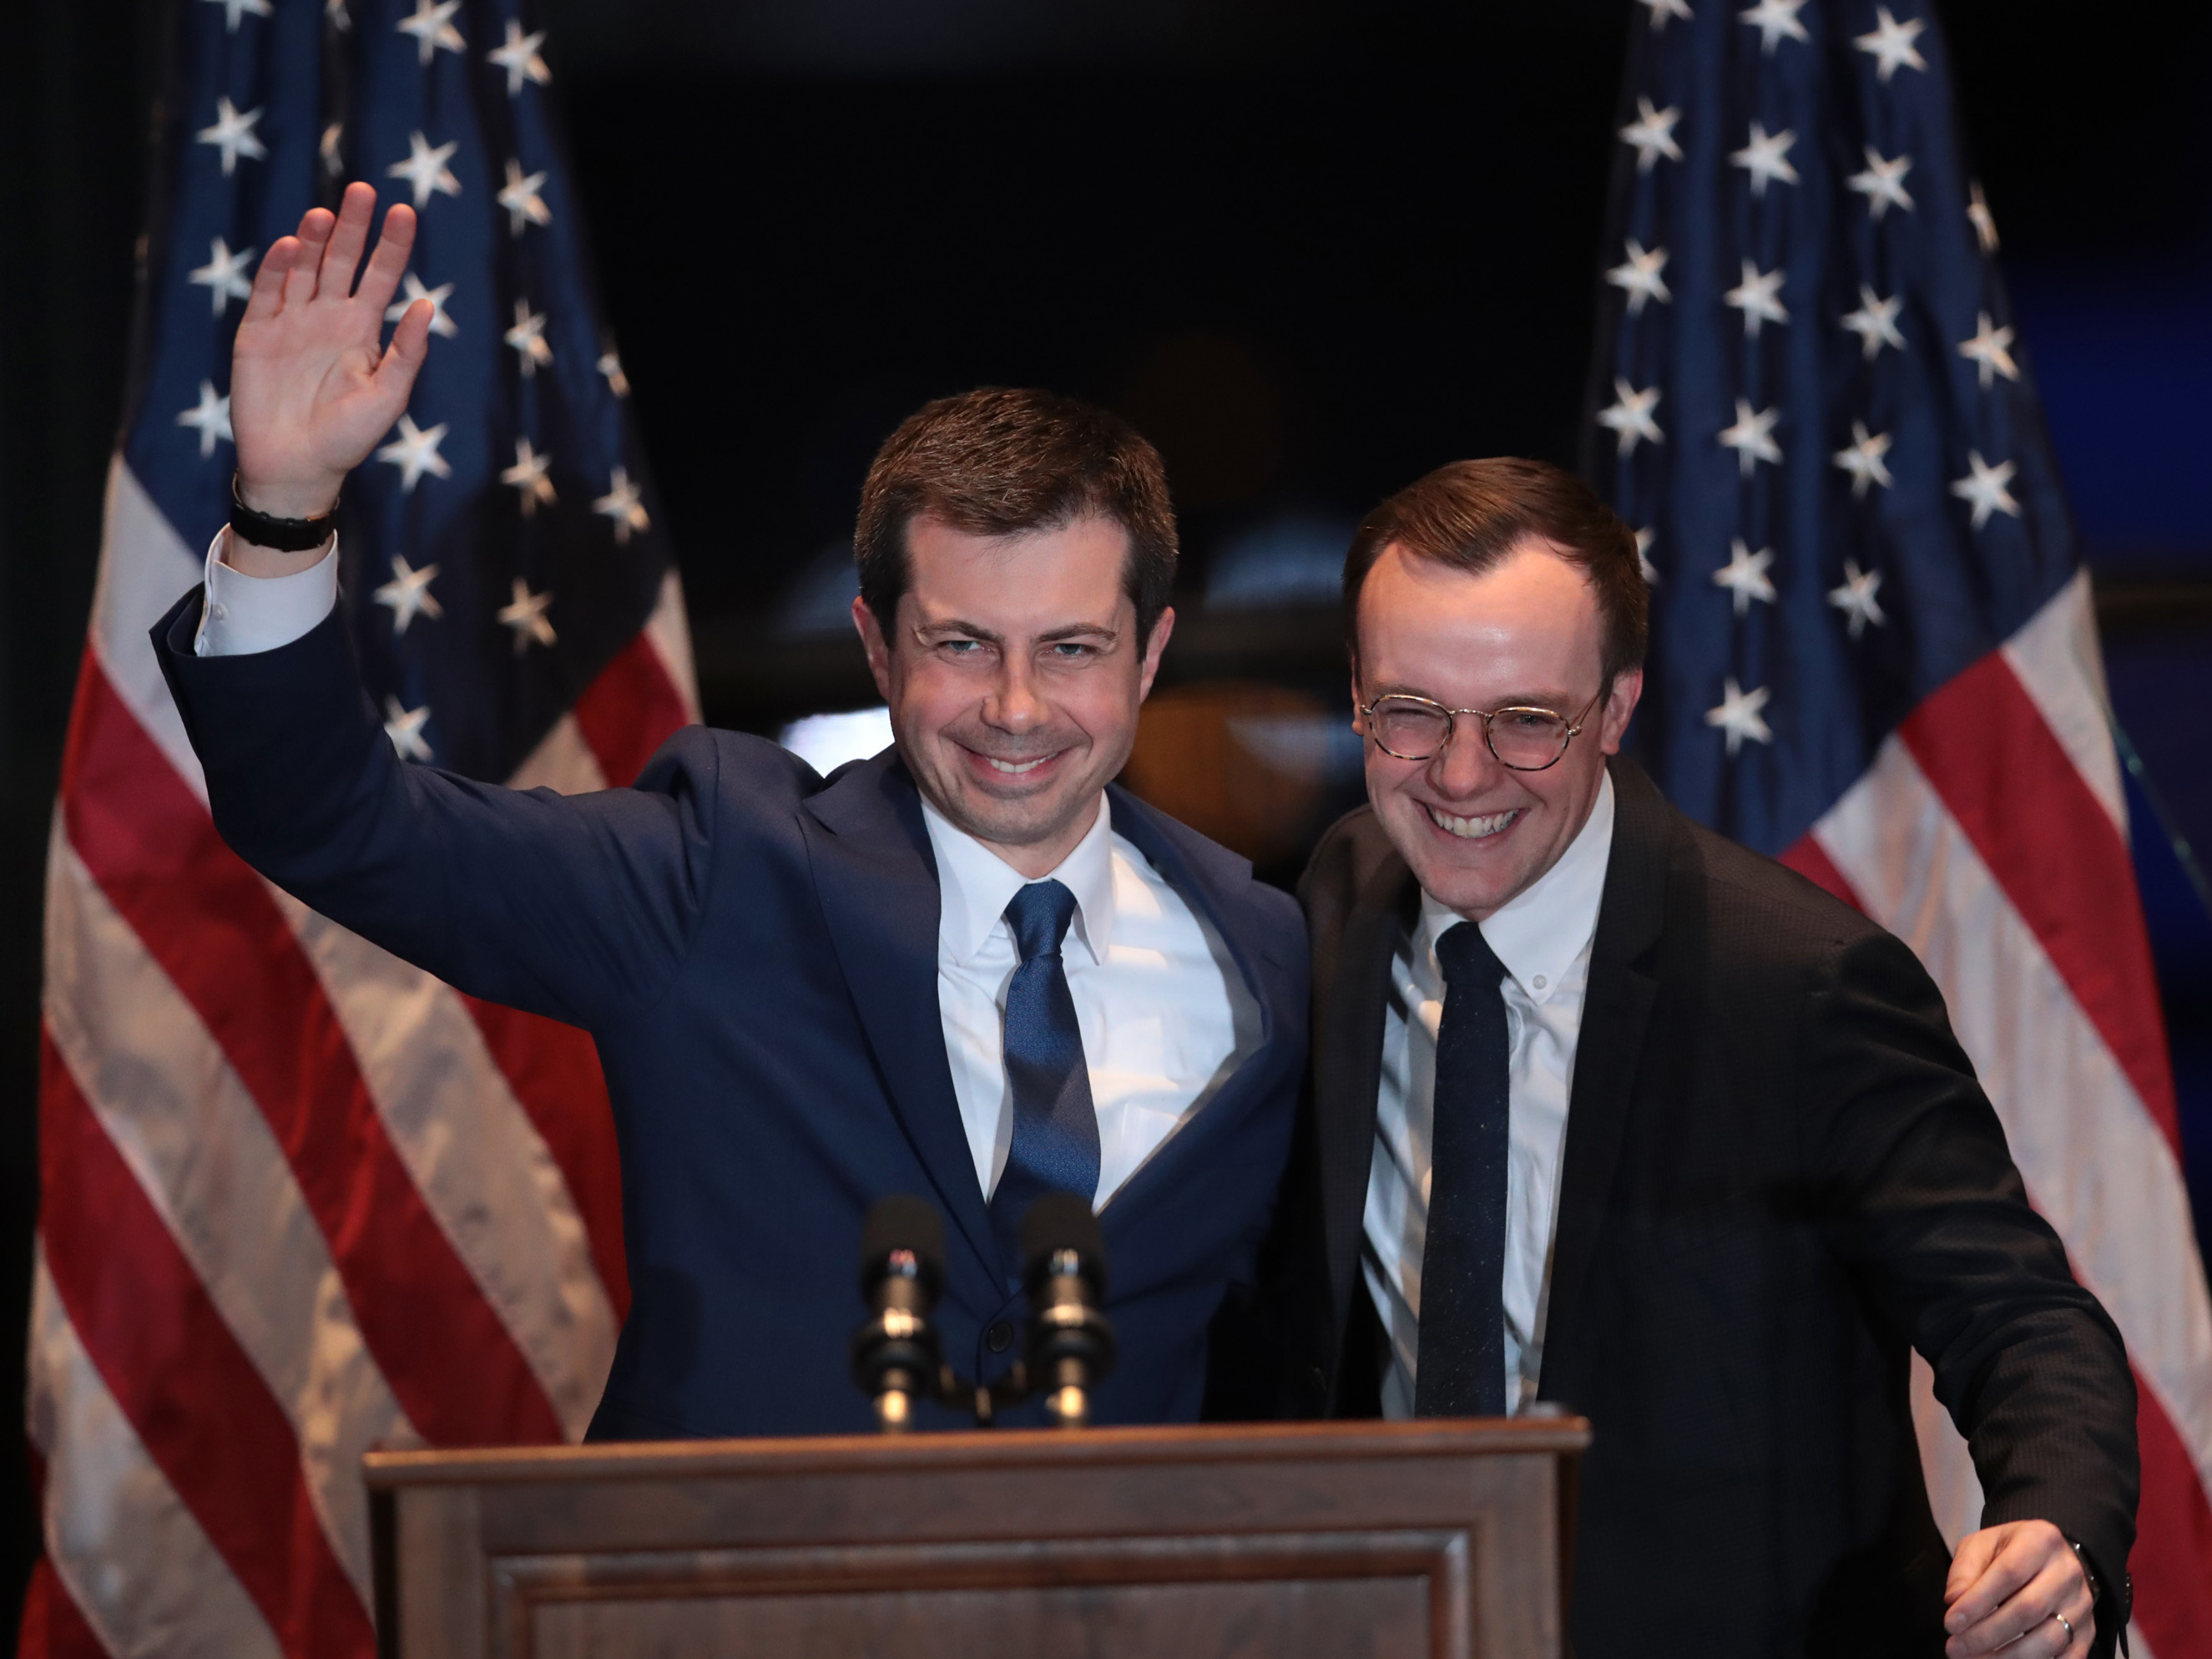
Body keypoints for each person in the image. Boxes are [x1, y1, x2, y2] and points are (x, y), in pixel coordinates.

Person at [154, 183, 1307, 1437]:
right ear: (876, 647)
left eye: (1071, 648)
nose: (1017, 707)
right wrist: (282, 512)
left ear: (1150, 654)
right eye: (962, 644)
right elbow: (337, 823)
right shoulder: (717, 872)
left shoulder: (1266, 952)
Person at [1207, 458, 2138, 1657]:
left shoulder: (1803, 986)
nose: (1460, 773)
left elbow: (2019, 1317)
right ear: (1354, 696)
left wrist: (2055, 1525)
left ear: (1615, 707)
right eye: (1412, 711)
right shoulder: (1334, 908)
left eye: (1526, 721)